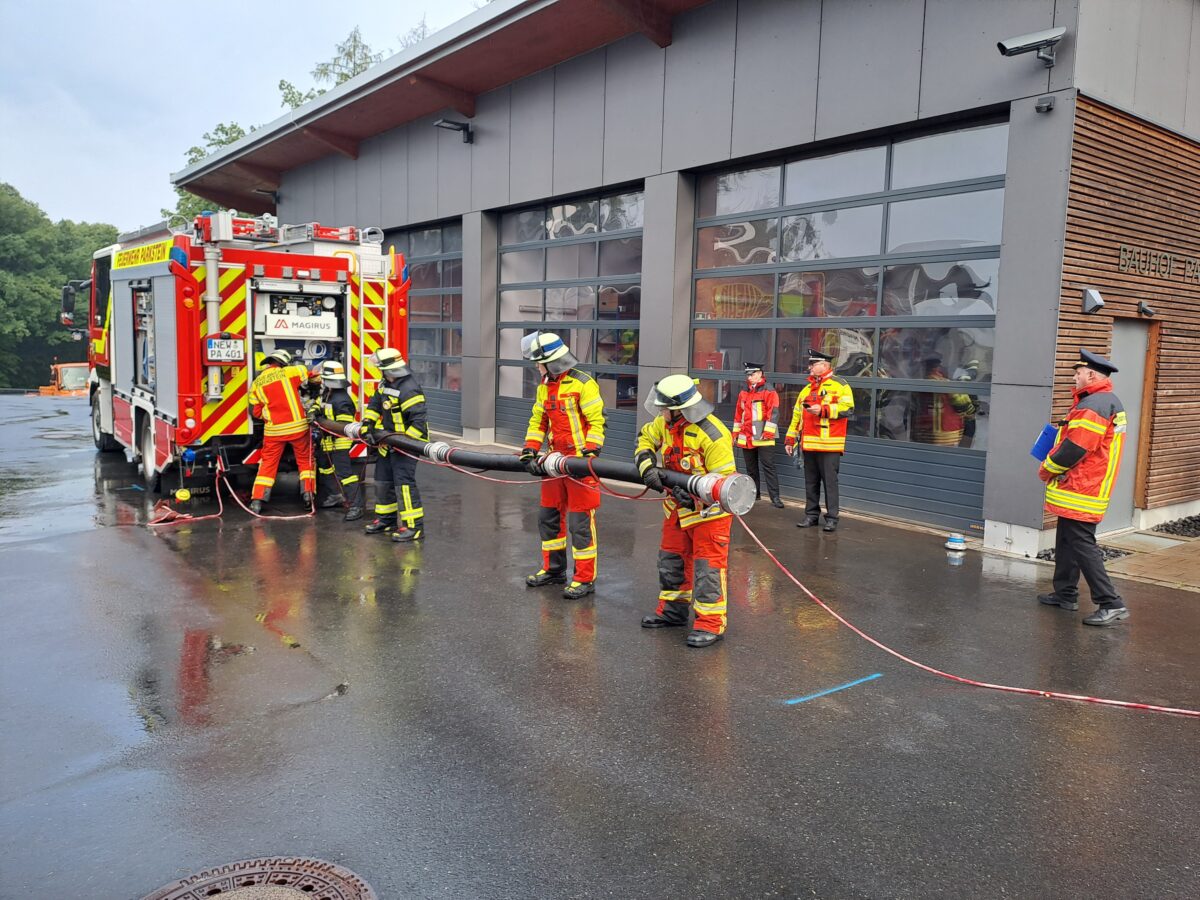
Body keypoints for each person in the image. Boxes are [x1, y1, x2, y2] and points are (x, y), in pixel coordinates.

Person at [636, 374, 736, 648]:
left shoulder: (712, 434)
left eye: (664, 408)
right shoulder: (665, 423)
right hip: (675, 510)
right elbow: (645, 438)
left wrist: (693, 497)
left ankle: (710, 624)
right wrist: (647, 466)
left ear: (679, 409)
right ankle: (672, 612)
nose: (660, 412)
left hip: (708, 516)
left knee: (708, 570)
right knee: (671, 561)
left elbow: (724, 483)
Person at [1037, 349, 1130, 626]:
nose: (1075, 378)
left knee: (1081, 542)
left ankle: (1111, 603)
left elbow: (1075, 447)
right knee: (1067, 539)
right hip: (1083, 484)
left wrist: (1047, 468)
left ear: (1091, 375)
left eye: (1078, 374)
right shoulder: (1100, 401)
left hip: (1084, 486)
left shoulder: (1093, 406)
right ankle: (1065, 594)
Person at [519, 331, 606, 600]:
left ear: (551, 361)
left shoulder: (583, 383)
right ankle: (554, 569)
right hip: (554, 463)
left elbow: (597, 422)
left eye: (538, 362)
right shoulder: (544, 386)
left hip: (579, 465)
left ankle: (584, 578)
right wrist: (530, 450)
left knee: (580, 524)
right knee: (549, 518)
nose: (536, 366)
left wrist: (589, 453)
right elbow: (539, 421)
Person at [360, 349, 428, 542]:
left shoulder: (409, 388)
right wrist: (367, 425)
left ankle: (414, 527)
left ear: (387, 369)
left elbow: (419, 425)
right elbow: (375, 405)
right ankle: (386, 519)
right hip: (388, 443)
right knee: (382, 482)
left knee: (404, 486)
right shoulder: (385, 383)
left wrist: (404, 445)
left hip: (406, 446)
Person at [784, 349, 854, 532]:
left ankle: (832, 518)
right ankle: (811, 516)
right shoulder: (806, 389)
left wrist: (822, 410)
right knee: (811, 482)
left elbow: (848, 409)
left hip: (830, 445)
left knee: (830, 483)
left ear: (824, 365)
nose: (810, 367)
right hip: (809, 445)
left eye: (813, 364)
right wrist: (790, 440)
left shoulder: (841, 385)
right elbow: (796, 416)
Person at [248, 348, 315, 514]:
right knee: (305, 462)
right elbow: (312, 373)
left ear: (269, 363)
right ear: (284, 362)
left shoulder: (256, 383)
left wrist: (270, 415)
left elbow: (255, 412)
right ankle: (308, 496)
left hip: (274, 431)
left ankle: (257, 501)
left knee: (267, 465)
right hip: (298, 428)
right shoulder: (290, 371)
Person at [310, 360, 365, 521]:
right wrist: (314, 413)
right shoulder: (328, 393)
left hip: (340, 441)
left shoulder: (342, 400)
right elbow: (318, 406)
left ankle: (356, 506)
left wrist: (322, 423)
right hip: (327, 440)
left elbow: (343, 426)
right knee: (324, 468)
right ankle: (334, 496)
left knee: (344, 474)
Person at [732, 363, 784, 508]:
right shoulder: (743, 392)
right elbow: (738, 414)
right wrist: (735, 433)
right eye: (748, 375)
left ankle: (775, 498)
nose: (750, 377)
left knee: (769, 467)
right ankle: (754, 495)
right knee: (751, 469)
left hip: (763, 436)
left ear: (760, 374)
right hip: (746, 436)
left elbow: (773, 413)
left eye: (752, 374)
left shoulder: (769, 390)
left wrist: (768, 433)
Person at [913, 355, 977, 446]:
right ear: (938, 367)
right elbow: (962, 404)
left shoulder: (917, 382)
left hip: (922, 430)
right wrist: (971, 412)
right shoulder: (945, 382)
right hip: (946, 431)